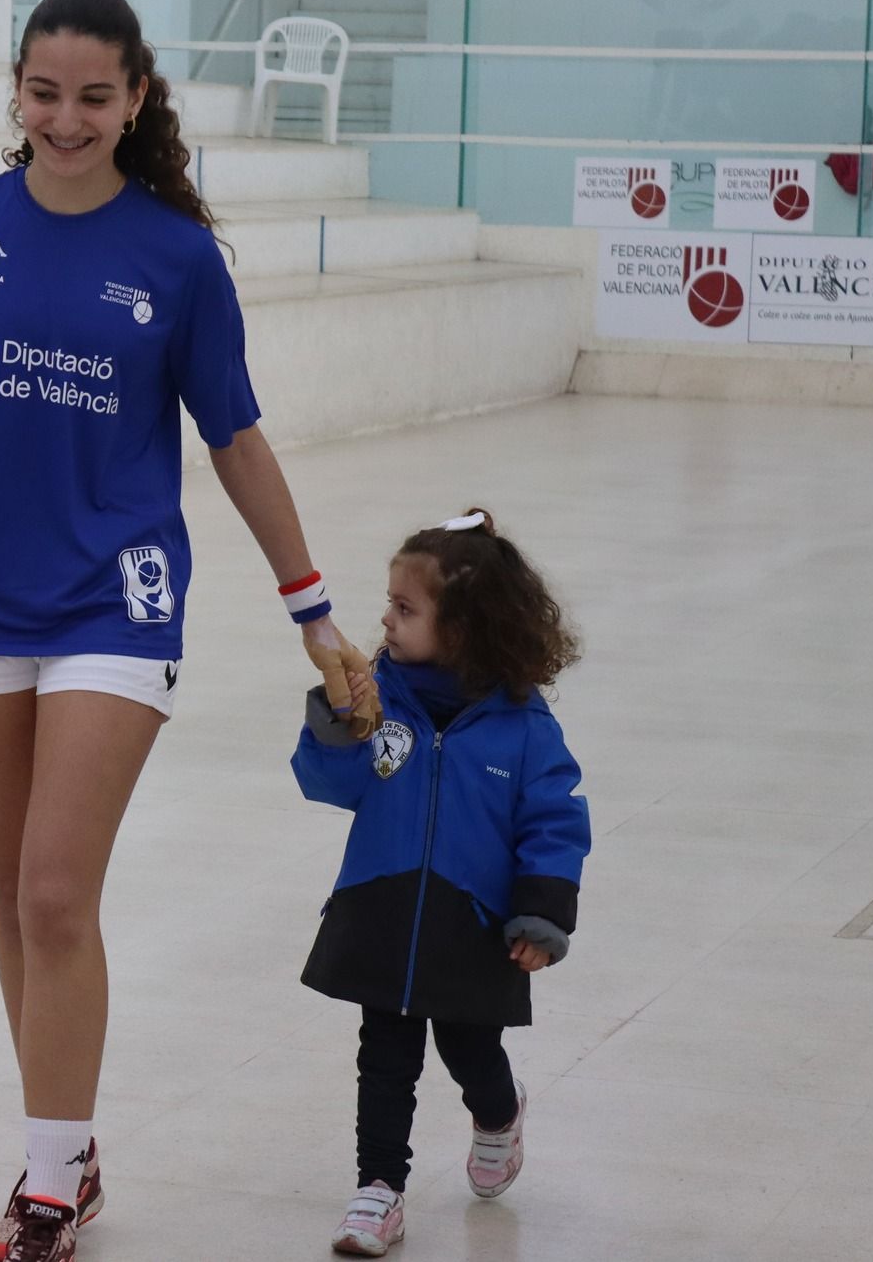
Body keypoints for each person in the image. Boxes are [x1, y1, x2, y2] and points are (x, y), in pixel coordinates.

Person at [0, 0, 381, 1262]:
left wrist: (311, 612)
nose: (66, 119)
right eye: (43, 94)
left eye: (94, 97)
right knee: (7, 893)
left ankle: (41, 1184)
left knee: (51, 891)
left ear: (135, 98)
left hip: (115, 603)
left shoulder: (175, 259)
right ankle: (68, 1152)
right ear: (15, 93)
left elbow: (235, 437)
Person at [292, 509, 590, 1257]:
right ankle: (378, 1188)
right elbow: (327, 783)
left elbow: (554, 819)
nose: (385, 619)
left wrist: (542, 912)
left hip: (473, 920)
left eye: (405, 607)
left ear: (464, 627)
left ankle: (498, 1115)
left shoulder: (524, 728)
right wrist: (338, 717)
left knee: (469, 1046)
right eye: (388, 602)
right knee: (385, 1049)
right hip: (384, 904)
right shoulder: (377, 694)